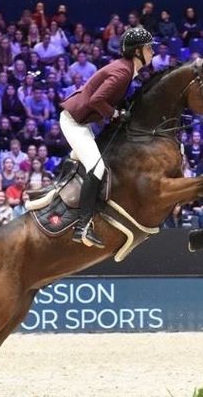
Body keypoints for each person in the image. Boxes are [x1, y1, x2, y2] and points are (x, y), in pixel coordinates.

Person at [58, 27, 155, 247]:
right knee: (97, 169)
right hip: (75, 122)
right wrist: (116, 114)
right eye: (149, 48)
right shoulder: (123, 73)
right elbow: (96, 100)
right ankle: (82, 226)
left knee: (94, 160)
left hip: (81, 121)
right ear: (137, 51)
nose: (152, 52)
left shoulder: (127, 70)